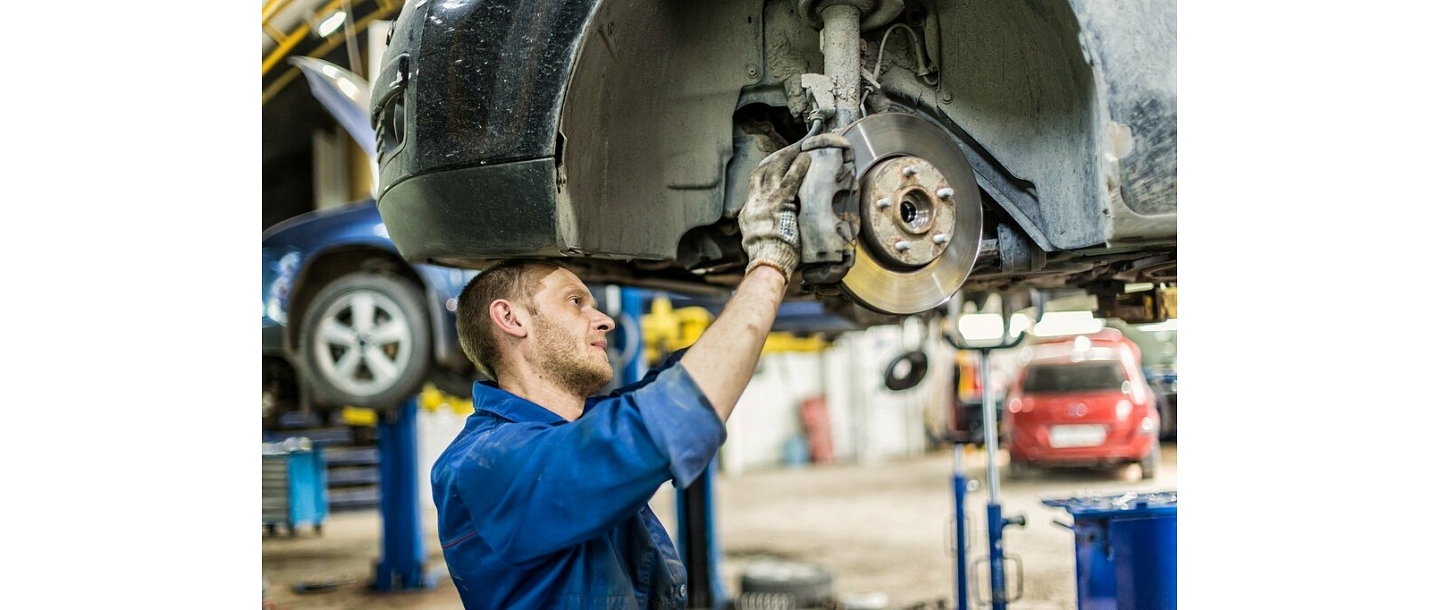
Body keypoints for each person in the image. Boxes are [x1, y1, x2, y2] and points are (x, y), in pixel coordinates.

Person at [430, 132, 852, 609]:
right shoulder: (481, 466)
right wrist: (770, 259)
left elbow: (678, 382)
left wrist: (771, 271)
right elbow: (664, 420)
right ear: (511, 319)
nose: (605, 320)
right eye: (576, 302)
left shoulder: (566, 432)